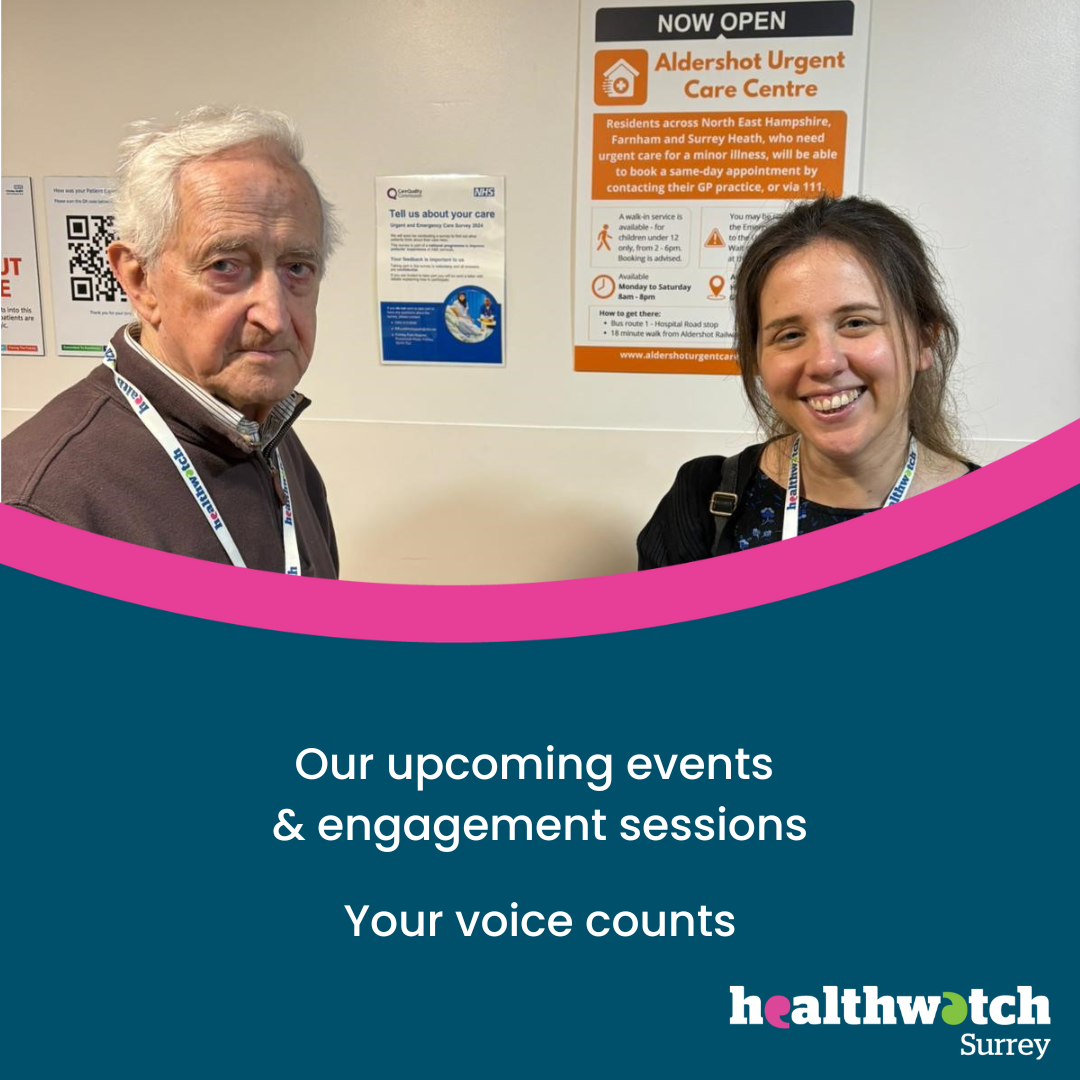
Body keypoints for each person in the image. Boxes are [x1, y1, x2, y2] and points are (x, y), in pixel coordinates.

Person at [2, 106, 342, 576]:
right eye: (225, 265)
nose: (275, 316)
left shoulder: (270, 437)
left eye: (297, 268)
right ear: (140, 281)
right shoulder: (39, 507)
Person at [638, 195, 976, 569]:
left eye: (856, 323)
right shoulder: (702, 500)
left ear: (924, 341)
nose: (824, 362)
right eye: (790, 335)